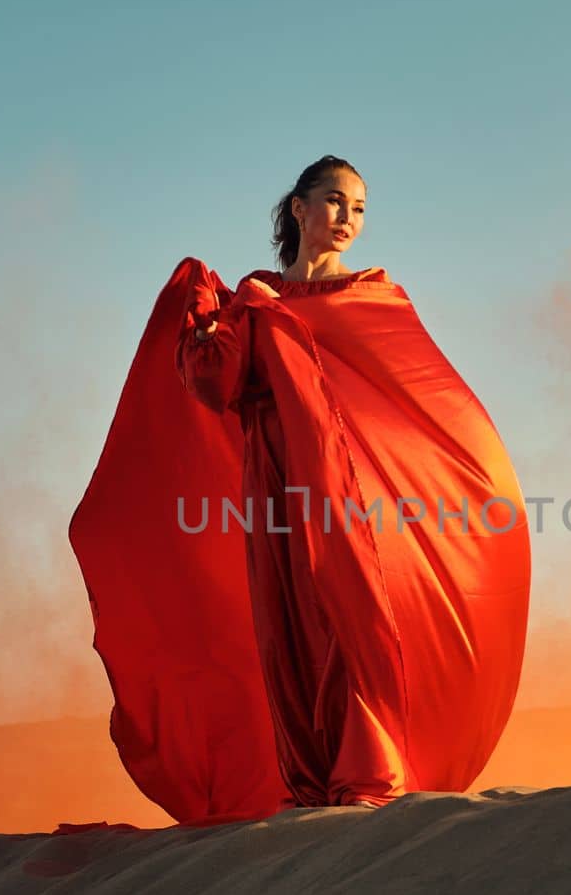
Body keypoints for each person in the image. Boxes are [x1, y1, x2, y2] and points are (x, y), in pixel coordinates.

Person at [68, 156, 530, 824]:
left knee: (355, 617)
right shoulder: (254, 302)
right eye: (336, 202)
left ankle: (369, 771)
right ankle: (310, 778)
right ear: (299, 210)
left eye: (360, 208)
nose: (348, 219)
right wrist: (203, 310)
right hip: (273, 489)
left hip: (348, 496)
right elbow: (214, 387)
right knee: (288, 626)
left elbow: (423, 398)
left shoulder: (374, 298)